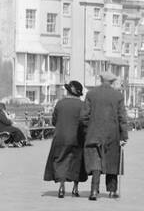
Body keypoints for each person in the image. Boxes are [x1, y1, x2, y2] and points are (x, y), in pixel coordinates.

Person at [80, 71, 129, 200]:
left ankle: (94, 191)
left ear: (101, 80)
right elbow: (122, 117)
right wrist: (124, 136)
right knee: (112, 161)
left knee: (96, 162)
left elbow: (84, 117)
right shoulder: (117, 96)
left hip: (94, 133)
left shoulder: (91, 94)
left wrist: (88, 131)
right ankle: (112, 191)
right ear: (112, 82)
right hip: (112, 134)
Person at [43, 80, 88, 197]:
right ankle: (75, 188)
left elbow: (54, 121)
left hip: (61, 137)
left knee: (61, 160)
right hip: (77, 138)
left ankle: (62, 187)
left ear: (68, 92)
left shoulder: (60, 104)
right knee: (77, 161)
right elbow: (85, 122)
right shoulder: (83, 105)